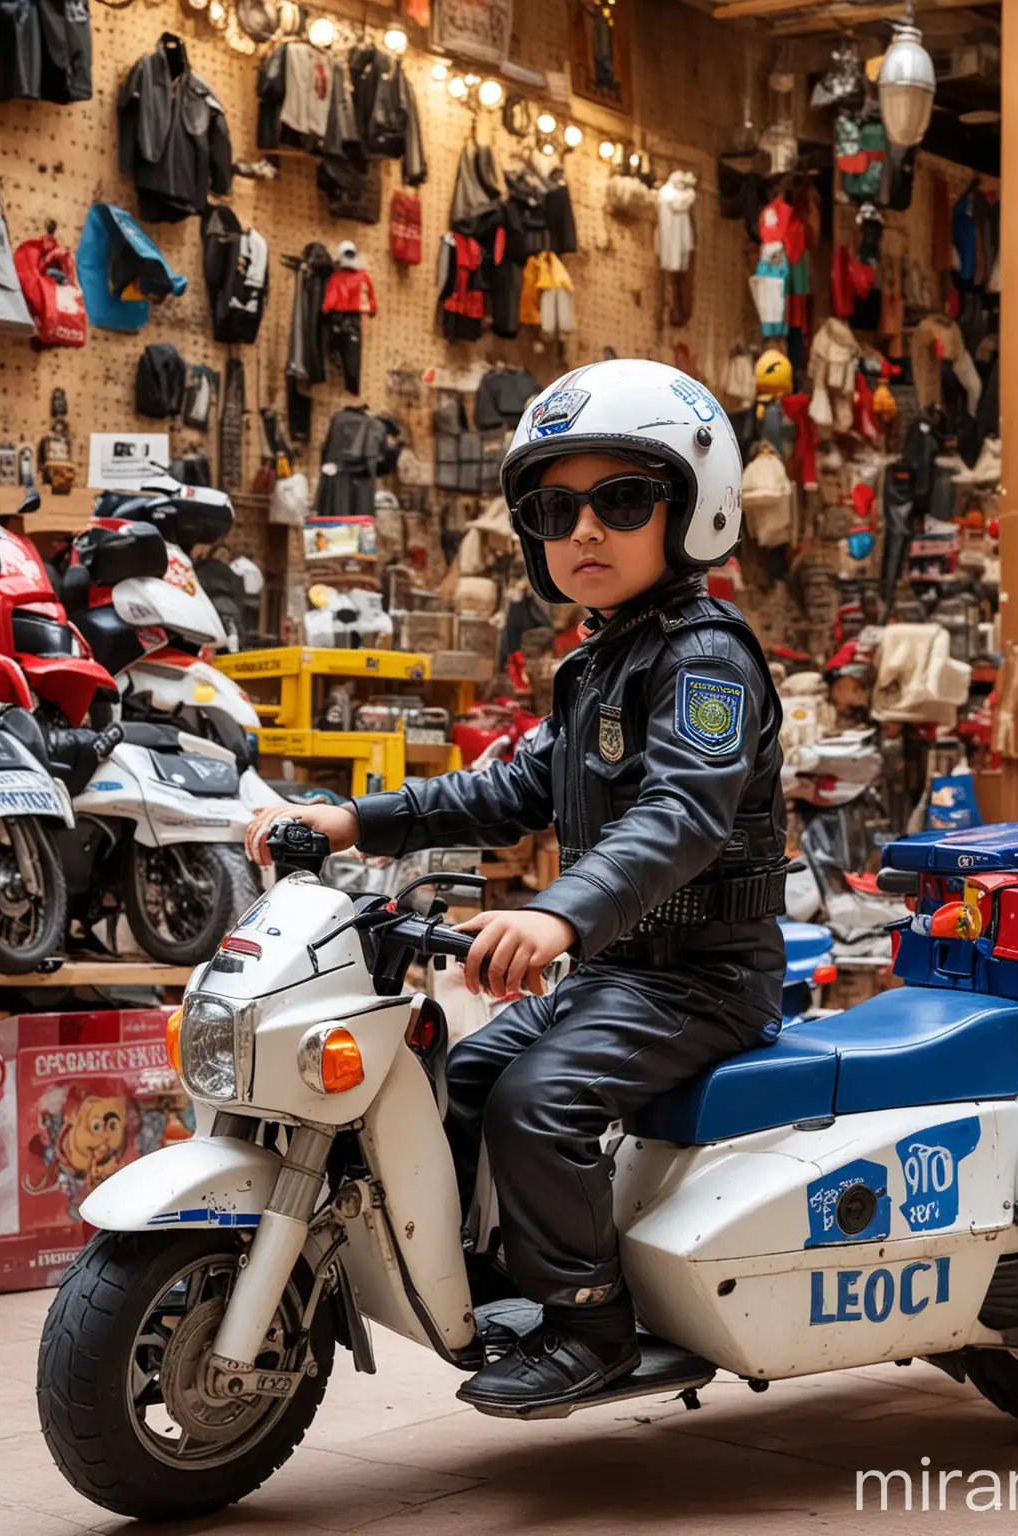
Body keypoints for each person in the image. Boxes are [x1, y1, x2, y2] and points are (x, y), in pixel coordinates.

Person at [247, 359, 787, 1412]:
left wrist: (556, 912)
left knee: (540, 1104)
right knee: (460, 1079)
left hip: (703, 979)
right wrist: (356, 819)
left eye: (621, 500)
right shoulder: (599, 661)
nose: (584, 529)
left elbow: (682, 815)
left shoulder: (707, 656)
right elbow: (511, 788)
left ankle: (591, 1324)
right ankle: (497, 1277)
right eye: (555, 508)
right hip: (618, 974)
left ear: (694, 506)